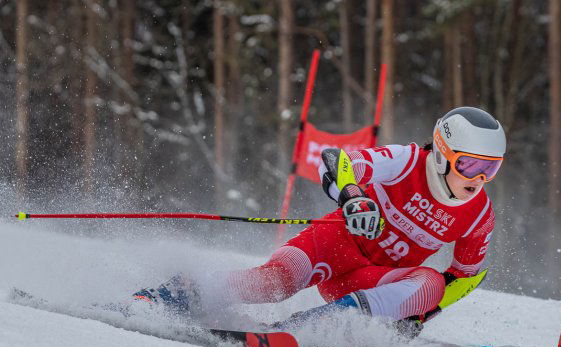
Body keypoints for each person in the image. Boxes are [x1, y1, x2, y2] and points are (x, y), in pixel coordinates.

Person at [134, 107, 506, 332]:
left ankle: (315, 326)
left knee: (430, 283)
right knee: (275, 283)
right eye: (469, 165)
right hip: (335, 244)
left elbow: (463, 278)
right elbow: (337, 161)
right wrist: (354, 197)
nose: (478, 180)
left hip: (369, 282)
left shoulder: (479, 215)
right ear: (442, 153)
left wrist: (421, 315)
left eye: (490, 169)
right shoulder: (406, 161)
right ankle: (170, 295)